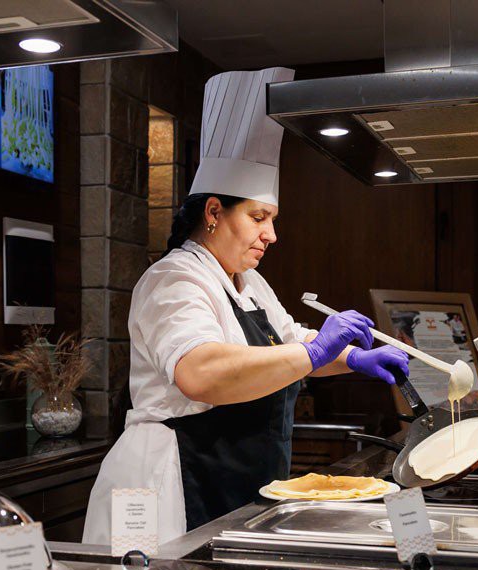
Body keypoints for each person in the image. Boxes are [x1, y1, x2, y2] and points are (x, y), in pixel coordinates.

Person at [82, 68, 408, 545]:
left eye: (271, 219)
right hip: (174, 484)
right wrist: (315, 352)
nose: (271, 235)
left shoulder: (248, 282)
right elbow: (201, 373)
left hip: (233, 480)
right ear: (214, 212)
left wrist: (353, 358)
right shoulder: (174, 279)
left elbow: (290, 344)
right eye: (258, 217)